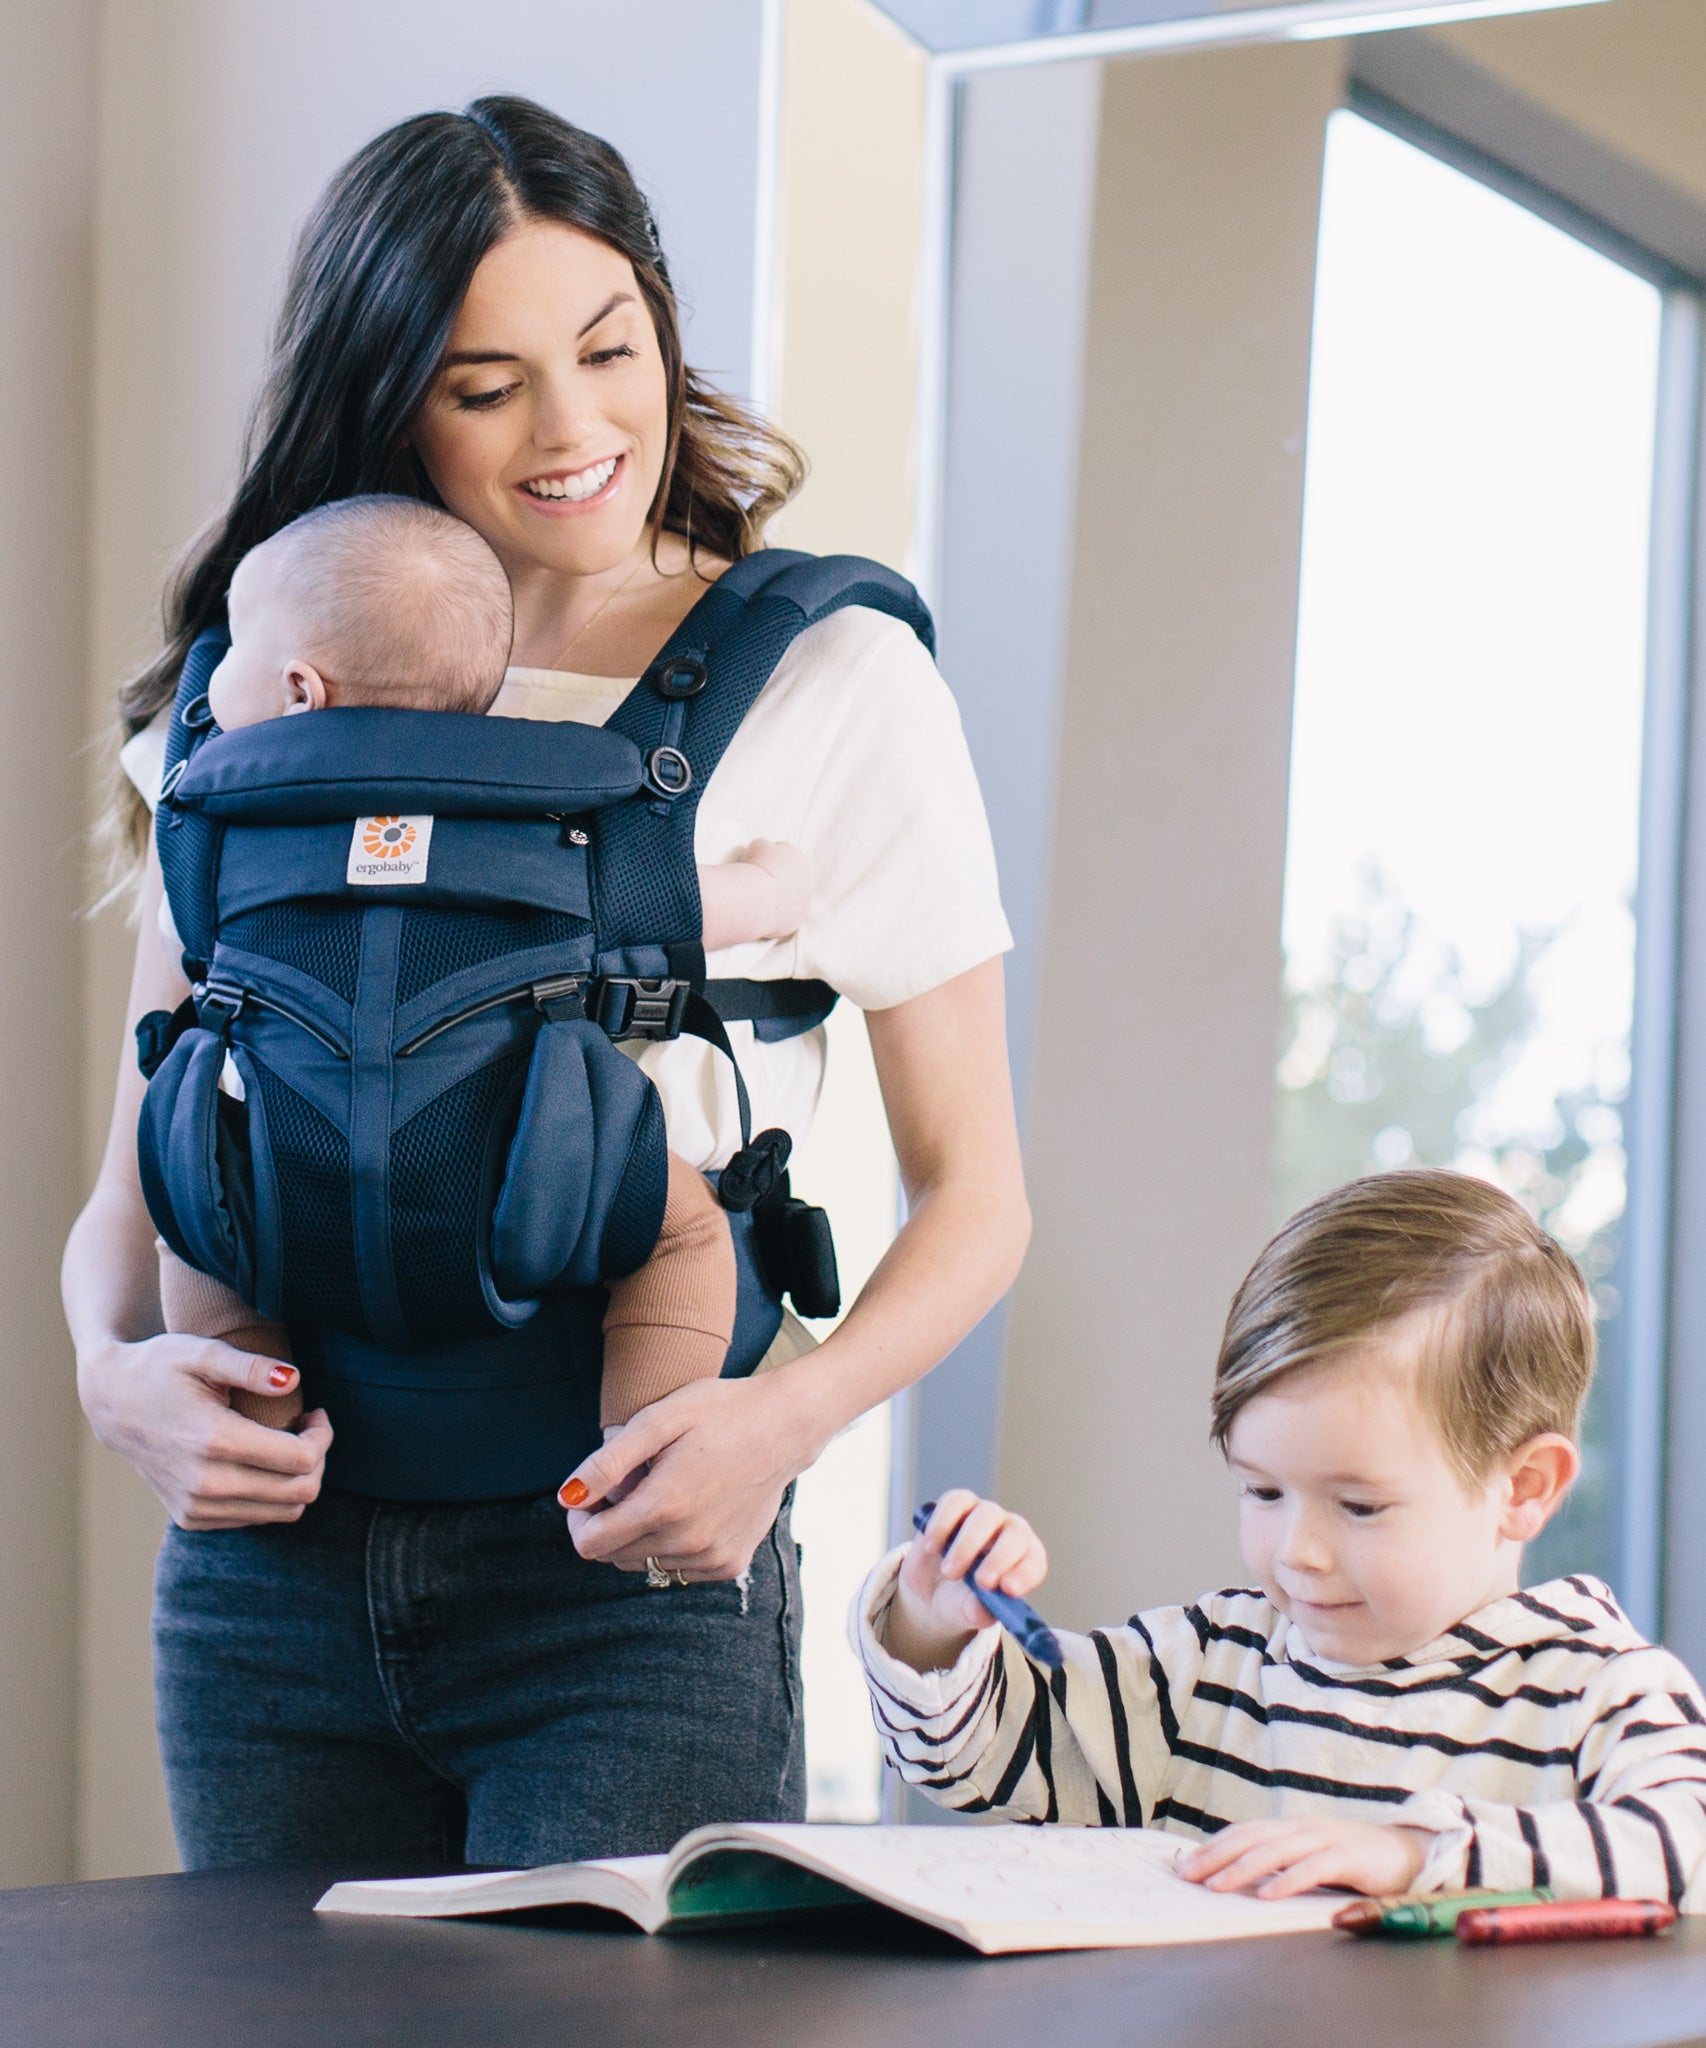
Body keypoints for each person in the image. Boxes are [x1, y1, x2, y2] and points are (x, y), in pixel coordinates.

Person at [63, 95, 1028, 1869]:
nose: (578, 428)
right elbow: (143, 1165)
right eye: (487, 383)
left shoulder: (828, 680)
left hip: (628, 1573)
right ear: (389, 395)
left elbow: (981, 1194)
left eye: (611, 349)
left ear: (665, 323)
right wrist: (106, 1371)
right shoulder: (257, 686)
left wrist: (782, 1427)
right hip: (270, 1577)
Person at [857, 1169, 1706, 1908]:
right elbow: (976, 1756)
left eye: (1360, 1506)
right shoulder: (1202, 1671)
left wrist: (1417, 1855)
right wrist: (932, 1624)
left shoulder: (1599, 1693)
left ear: (1522, 1489)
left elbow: (1682, 1847)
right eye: (1262, 1491)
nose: (1298, 1551)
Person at [157, 492, 809, 1440]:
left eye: (234, 647)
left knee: (196, 1220)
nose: (212, 684)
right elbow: (688, 907)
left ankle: (261, 1420)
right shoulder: (546, 831)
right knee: (688, 1232)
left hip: (288, 1170)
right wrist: (775, 885)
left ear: (301, 691)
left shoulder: (225, 849)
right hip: (527, 1174)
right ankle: (639, 1453)